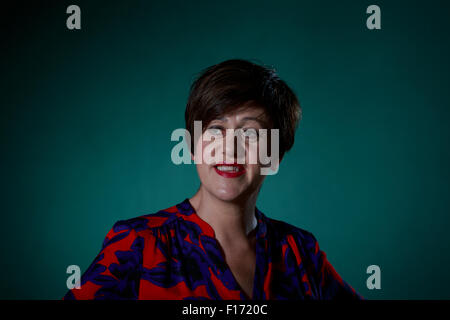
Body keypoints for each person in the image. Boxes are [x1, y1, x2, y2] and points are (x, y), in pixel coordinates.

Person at [63, 59, 362, 300]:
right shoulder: (138, 244)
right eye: (216, 129)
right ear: (192, 146)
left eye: (251, 134)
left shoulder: (299, 251)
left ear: (275, 155)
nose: (229, 149)